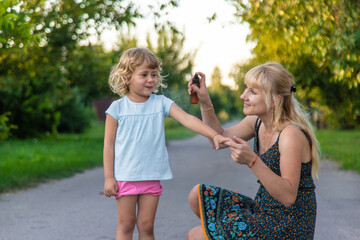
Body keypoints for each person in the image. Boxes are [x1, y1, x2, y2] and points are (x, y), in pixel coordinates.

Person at [103, 48, 229, 240]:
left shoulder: (160, 102)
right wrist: (108, 177)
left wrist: (214, 135)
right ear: (127, 77)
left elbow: (187, 119)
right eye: (144, 74)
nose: (151, 79)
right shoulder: (117, 108)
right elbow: (109, 146)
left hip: (152, 176)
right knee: (126, 225)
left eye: (154, 74)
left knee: (146, 227)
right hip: (124, 177)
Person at [186, 62, 320, 239]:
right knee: (197, 195)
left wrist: (252, 160)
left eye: (252, 92)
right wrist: (205, 100)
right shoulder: (256, 122)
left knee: (195, 236)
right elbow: (217, 138)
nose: (243, 96)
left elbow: (288, 197)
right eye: (246, 88)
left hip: (288, 225)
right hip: (262, 211)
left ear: (275, 99)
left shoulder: (290, 134)